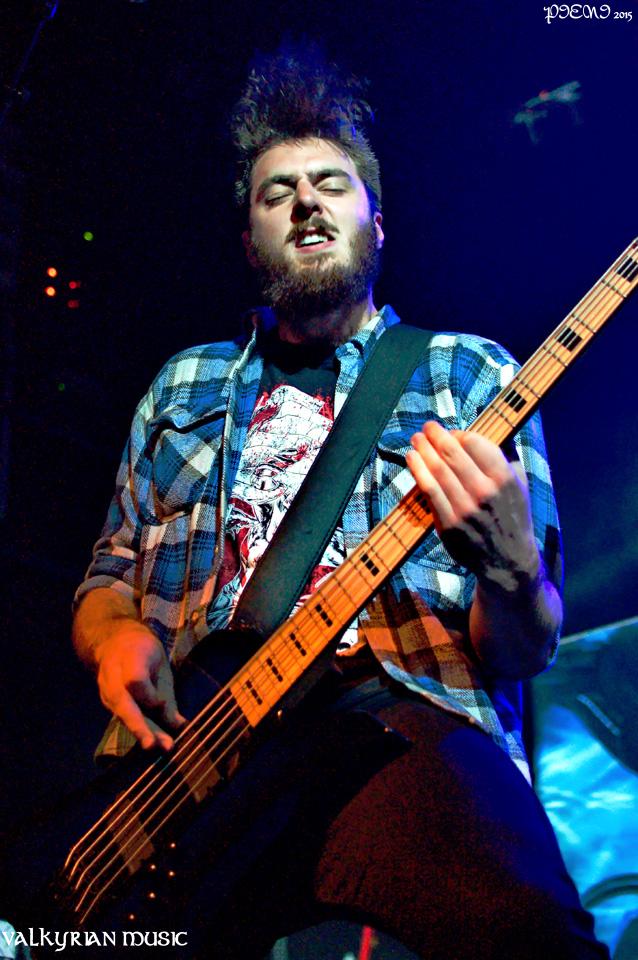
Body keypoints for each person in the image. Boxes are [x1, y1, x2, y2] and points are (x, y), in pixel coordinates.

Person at [72, 49, 609, 960]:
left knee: (530, 933)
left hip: (395, 714)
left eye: (331, 184)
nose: (306, 204)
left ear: (378, 223)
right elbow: (107, 579)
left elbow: (525, 648)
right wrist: (115, 638)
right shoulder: (181, 385)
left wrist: (514, 566)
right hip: (187, 764)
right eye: (276, 193)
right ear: (250, 241)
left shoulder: (468, 374)